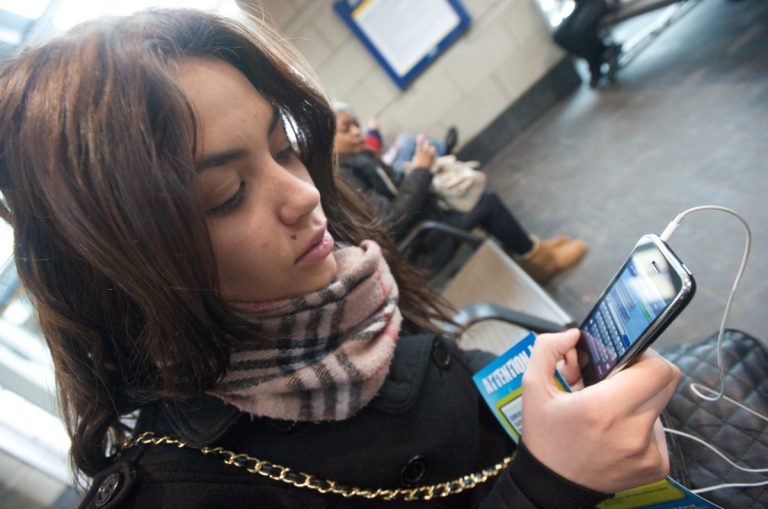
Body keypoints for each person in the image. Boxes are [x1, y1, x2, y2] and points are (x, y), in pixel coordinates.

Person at [0, 8, 680, 508]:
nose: (302, 195)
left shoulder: (345, 291)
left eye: (284, 148)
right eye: (228, 194)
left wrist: (541, 390)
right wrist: (552, 484)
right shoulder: (184, 489)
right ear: (124, 266)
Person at [334, 106, 587, 282]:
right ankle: (540, 262)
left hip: (427, 226)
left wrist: (420, 169)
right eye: (346, 129)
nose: (357, 131)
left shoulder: (358, 159)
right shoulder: (344, 178)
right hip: (420, 247)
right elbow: (391, 222)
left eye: (356, 124)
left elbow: (394, 192)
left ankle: (526, 248)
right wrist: (421, 170)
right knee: (488, 203)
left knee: (476, 199)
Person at [553, 0, 621, 87]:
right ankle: (601, 52)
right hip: (581, 5)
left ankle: (595, 61)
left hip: (598, 2)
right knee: (559, 36)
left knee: (579, 31)